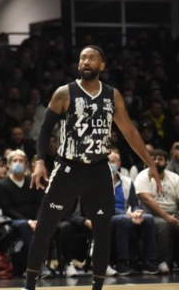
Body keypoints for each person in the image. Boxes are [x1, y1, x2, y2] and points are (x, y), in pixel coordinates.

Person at [22, 45, 162, 290]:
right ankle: (30, 284)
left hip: (98, 169)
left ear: (102, 65)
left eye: (92, 58)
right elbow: (45, 130)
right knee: (45, 227)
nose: (86, 61)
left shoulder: (112, 95)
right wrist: (40, 161)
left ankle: (97, 286)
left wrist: (149, 163)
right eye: (82, 58)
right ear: (78, 65)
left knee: (102, 230)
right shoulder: (64, 93)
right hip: (68, 167)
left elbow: (129, 131)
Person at [134, 148, 179, 274]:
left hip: (172, 213)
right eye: (153, 159)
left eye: (160, 159)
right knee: (163, 224)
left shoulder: (174, 177)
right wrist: (167, 217)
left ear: (166, 162)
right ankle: (163, 262)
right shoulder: (143, 176)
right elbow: (147, 200)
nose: (157, 162)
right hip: (149, 214)